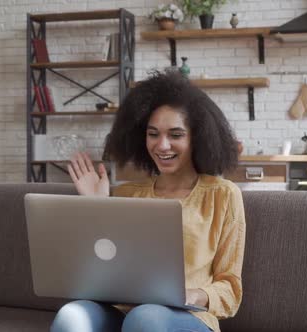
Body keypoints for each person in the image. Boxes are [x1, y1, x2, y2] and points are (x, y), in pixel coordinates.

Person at [51, 70, 246, 332]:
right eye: (153, 134)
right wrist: (96, 205)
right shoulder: (126, 195)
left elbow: (230, 288)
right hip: (124, 312)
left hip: (187, 317)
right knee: (72, 315)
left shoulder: (223, 195)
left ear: (196, 138)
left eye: (175, 135)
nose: (162, 145)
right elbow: (102, 266)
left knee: (144, 318)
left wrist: (193, 294)